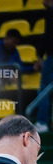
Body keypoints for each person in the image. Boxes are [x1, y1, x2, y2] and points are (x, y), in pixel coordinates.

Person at [36, 0, 53, 132]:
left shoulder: (50, 13)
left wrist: (40, 55)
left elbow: (49, 36)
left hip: (52, 56)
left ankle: (42, 122)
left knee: (44, 90)